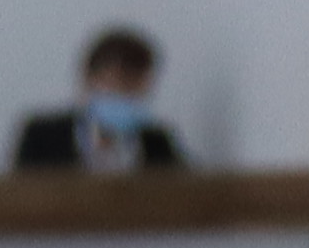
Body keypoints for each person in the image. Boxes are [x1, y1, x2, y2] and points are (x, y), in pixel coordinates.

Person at [14, 25, 188, 173]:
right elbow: (18, 193)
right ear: (89, 80)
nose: (127, 96)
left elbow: (188, 189)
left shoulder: (157, 142)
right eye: (120, 82)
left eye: (137, 87)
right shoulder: (42, 136)